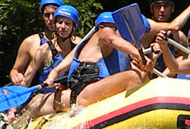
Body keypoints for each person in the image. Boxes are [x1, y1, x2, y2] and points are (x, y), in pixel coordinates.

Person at [26, 12, 158, 117]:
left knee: (140, 76)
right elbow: (111, 39)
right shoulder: (105, 33)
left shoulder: (125, 53)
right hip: (84, 94)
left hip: (99, 95)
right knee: (133, 77)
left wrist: (148, 63)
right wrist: (140, 56)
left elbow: (142, 77)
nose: (140, 40)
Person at [9, 0, 81, 87]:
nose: (50, 19)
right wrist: (15, 75)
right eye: (47, 15)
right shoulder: (31, 42)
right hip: (42, 92)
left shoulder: (78, 44)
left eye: (54, 15)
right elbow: (17, 70)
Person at [141, 0, 190, 70]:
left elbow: (188, 58)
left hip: (169, 78)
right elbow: (174, 27)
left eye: (166, 6)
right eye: (158, 6)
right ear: (151, 9)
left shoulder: (178, 36)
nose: (162, 10)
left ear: (172, 8)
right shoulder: (148, 26)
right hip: (148, 76)